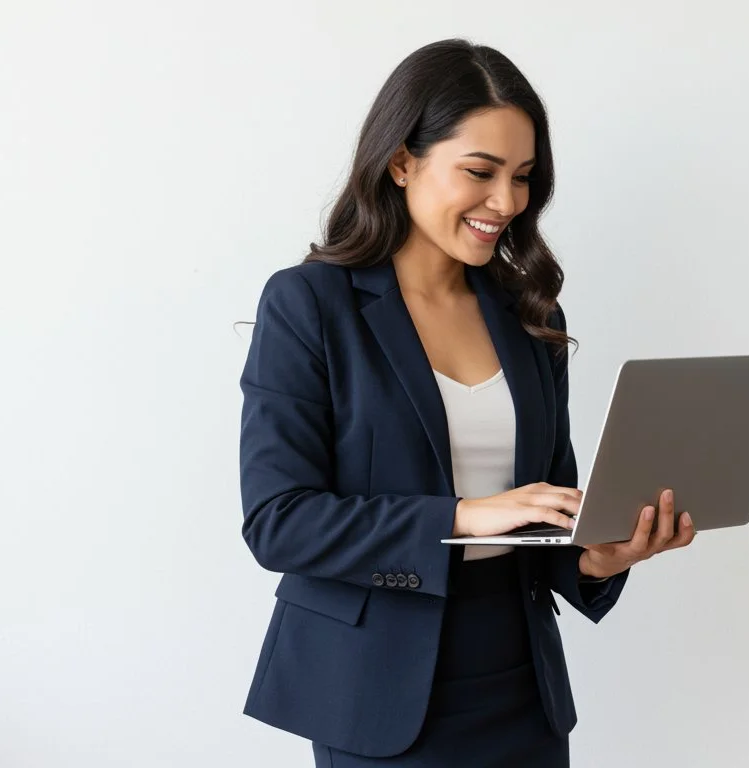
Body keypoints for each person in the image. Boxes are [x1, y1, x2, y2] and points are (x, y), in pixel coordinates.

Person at [237, 39, 696, 767]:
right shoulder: (310, 305)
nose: (507, 202)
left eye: (522, 177)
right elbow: (278, 523)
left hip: (521, 689)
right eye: (480, 172)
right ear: (401, 161)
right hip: (376, 694)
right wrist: (462, 515)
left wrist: (602, 558)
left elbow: (547, 517)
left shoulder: (528, 312)